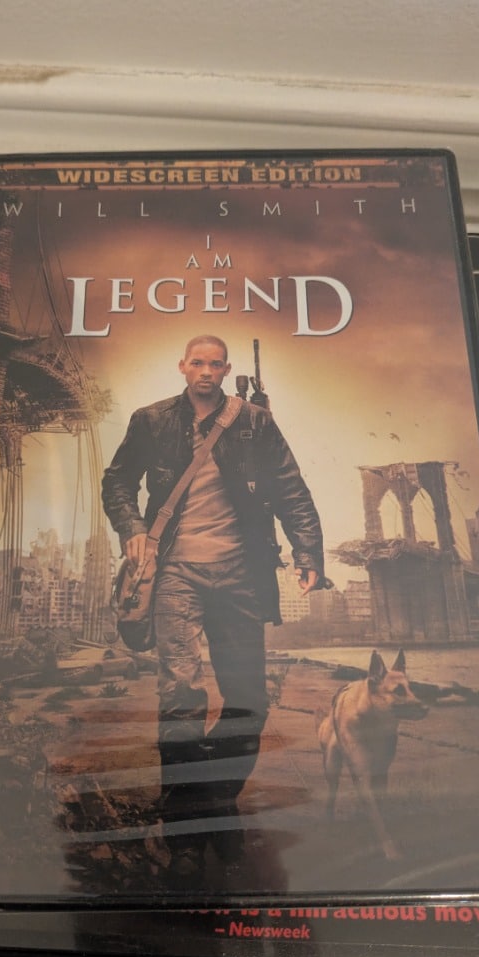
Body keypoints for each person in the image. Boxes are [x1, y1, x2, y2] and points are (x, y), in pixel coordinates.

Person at [101, 335, 327, 878]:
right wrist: (132, 529)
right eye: (196, 363)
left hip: (241, 574)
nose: (205, 371)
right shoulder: (151, 420)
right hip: (175, 572)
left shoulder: (254, 422)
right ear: (182, 367)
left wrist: (308, 553)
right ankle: (185, 833)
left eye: (215, 364)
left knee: (247, 699)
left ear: (226, 370)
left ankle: (216, 803)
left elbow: (290, 488)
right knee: (180, 696)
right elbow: (117, 481)